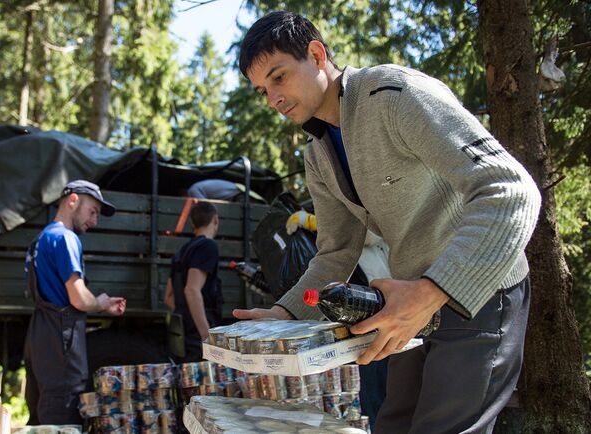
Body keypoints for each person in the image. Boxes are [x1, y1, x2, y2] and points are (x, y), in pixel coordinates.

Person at [233, 11, 541, 434]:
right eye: (262, 90)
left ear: (317, 54)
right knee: (392, 425)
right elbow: (337, 251)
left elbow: (512, 190)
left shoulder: (395, 94)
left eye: (279, 77)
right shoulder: (316, 154)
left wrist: (431, 292)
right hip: (408, 304)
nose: (273, 99)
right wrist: (284, 314)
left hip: (484, 291)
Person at [24, 180, 127, 425]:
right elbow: (79, 298)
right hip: (61, 338)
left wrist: (102, 304)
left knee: (41, 411)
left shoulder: (41, 239)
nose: (94, 221)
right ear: (73, 201)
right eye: (93, 212)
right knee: (63, 413)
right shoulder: (65, 238)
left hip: (41, 333)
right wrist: (101, 302)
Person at [288, 213, 390, 431]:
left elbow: (372, 233)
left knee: (382, 385)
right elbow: (331, 258)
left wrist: (318, 222)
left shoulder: (374, 199)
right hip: (352, 311)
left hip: (377, 304)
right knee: (369, 387)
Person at [164, 201, 224, 362]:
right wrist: (206, 336)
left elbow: (168, 298)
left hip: (183, 334)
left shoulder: (181, 251)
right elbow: (191, 290)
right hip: (198, 337)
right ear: (215, 220)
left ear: (192, 223)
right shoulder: (208, 246)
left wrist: (185, 315)